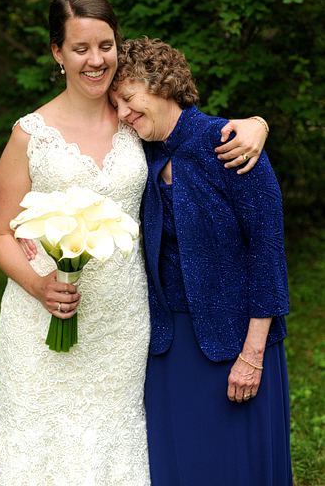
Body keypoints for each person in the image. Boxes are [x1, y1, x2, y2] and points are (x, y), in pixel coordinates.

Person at [0, 0, 268, 485]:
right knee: (41, 444)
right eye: (80, 49)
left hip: (124, 317)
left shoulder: (136, 123)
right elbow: (2, 236)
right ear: (57, 52)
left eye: (105, 46)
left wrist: (256, 124)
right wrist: (38, 286)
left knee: (116, 444)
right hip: (41, 317)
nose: (96, 60)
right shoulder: (29, 135)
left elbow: (195, 137)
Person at [109, 37, 291, 485]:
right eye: (115, 105)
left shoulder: (229, 143)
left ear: (162, 84)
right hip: (167, 344)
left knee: (232, 468)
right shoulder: (140, 155)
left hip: (236, 340)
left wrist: (252, 355)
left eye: (129, 99)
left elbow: (267, 253)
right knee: (177, 466)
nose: (122, 115)